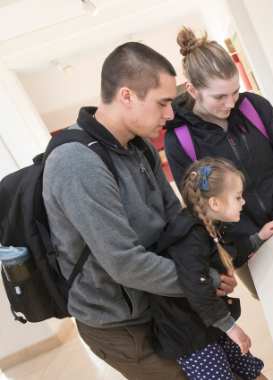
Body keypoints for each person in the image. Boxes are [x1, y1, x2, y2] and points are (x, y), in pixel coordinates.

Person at [42, 42, 237, 379]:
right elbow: (125, 263)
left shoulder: (140, 145)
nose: (171, 114)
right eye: (162, 103)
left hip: (166, 301)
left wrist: (205, 267)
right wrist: (204, 281)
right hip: (123, 325)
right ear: (127, 96)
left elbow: (174, 220)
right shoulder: (76, 163)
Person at [164, 28, 273, 297]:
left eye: (235, 91)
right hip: (247, 248)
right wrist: (255, 238)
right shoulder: (180, 141)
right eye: (219, 97)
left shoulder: (254, 107)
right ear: (193, 90)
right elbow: (201, 207)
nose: (231, 103)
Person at [152, 157, 273, 380]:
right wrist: (231, 328)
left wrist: (258, 238)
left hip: (209, 319)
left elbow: (226, 253)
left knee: (249, 368)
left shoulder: (209, 223)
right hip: (189, 333)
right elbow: (196, 285)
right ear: (215, 203)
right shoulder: (189, 236)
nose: (243, 202)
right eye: (238, 197)